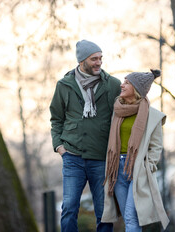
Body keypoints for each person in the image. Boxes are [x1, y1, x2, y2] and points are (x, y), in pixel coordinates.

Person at [50, 40, 121, 232]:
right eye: (94, 59)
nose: (99, 63)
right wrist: (59, 147)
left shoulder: (112, 85)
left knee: (104, 211)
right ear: (82, 61)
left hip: (101, 158)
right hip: (73, 157)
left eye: (100, 58)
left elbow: (124, 111)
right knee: (69, 207)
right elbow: (56, 118)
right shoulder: (64, 85)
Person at [102, 69, 170, 231]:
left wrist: (149, 166)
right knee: (128, 218)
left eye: (127, 82)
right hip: (116, 169)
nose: (122, 85)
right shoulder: (118, 111)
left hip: (137, 170)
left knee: (132, 217)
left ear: (137, 89)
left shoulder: (152, 116)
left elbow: (156, 146)